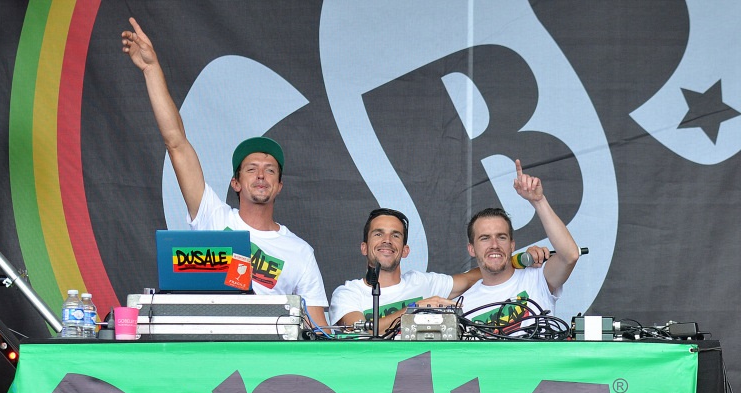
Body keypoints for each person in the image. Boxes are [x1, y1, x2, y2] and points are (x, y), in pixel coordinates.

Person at [121, 18, 329, 327]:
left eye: (270, 170)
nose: (261, 175)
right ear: (236, 183)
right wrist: (151, 69)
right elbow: (176, 142)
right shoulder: (214, 217)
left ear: (279, 186)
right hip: (210, 342)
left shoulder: (300, 252)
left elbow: (319, 330)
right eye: (251, 169)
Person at [331, 208, 498, 335]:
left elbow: (471, 278)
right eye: (378, 234)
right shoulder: (348, 293)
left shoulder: (421, 282)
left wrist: (511, 259)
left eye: (395, 235)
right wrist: (414, 309)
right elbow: (361, 333)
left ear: (405, 251)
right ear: (364, 248)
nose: (387, 240)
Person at [460, 159, 580, 325]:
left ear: (512, 245)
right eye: (485, 238)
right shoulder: (463, 306)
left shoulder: (537, 278)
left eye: (501, 237)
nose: (494, 245)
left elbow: (570, 256)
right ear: (471, 249)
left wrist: (538, 201)